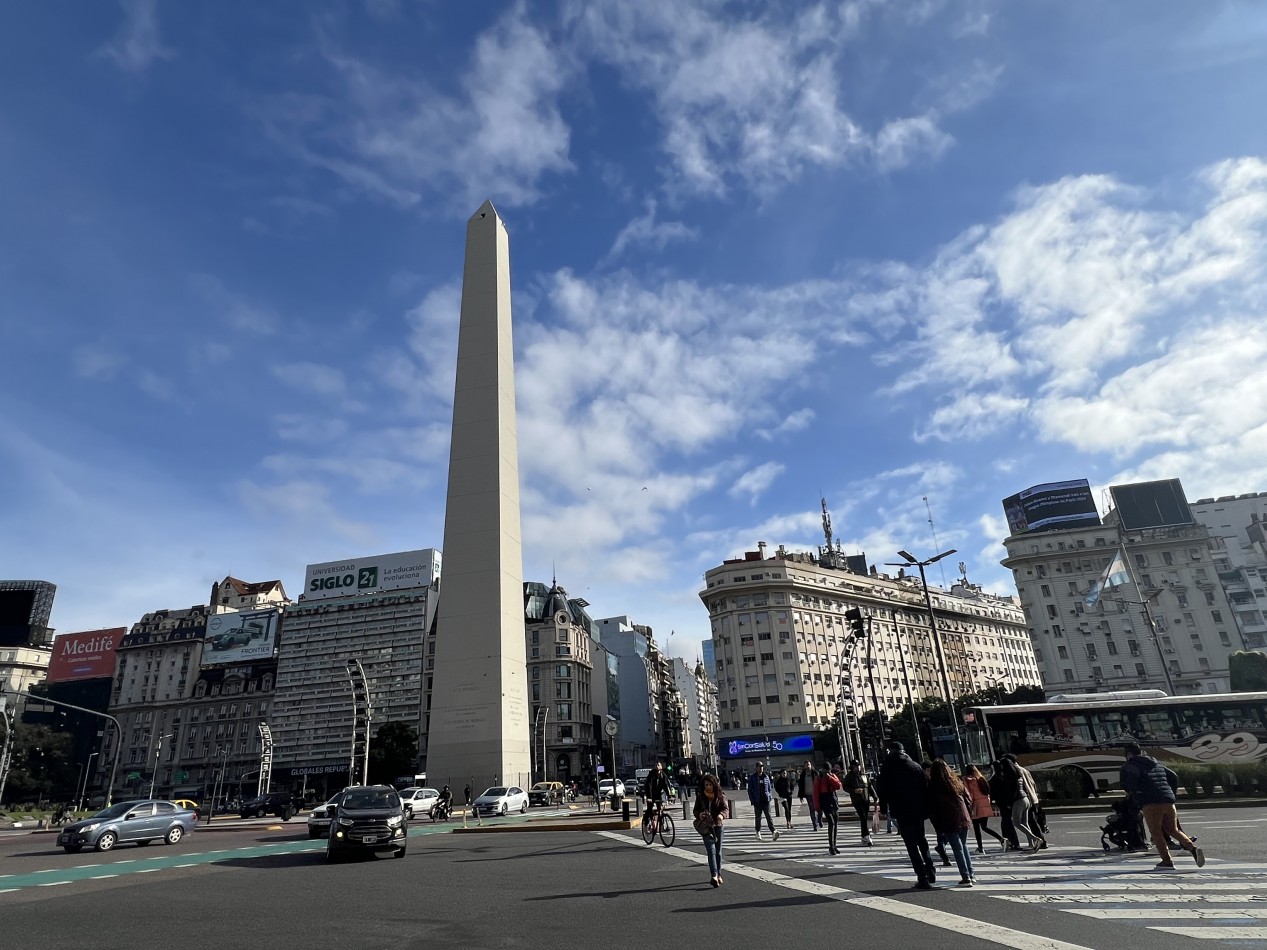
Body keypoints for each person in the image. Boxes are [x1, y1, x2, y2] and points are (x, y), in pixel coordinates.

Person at [1120, 742, 1205, 870]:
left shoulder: (1130, 765)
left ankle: (1167, 861)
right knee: (1173, 829)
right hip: (1168, 801)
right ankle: (1192, 849)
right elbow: (1173, 776)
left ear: (1128, 753)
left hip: (1151, 803)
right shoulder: (1155, 762)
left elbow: (1130, 783)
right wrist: (1170, 792)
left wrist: (1135, 794)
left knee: (1156, 833)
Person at [879, 740, 938, 890]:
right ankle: (930, 870)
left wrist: (884, 809)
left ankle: (922, 877)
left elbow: (882, 790)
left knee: (911, 845)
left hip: (901, 810)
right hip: (918, 809)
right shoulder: (915, 766)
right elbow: (926, 788)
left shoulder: (888, 767)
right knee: (922, 841)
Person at [928, 759, 975, 887]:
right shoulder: (956, 782)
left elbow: (933, 807)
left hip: (948, 819)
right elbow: (968, 800)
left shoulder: (935, 786)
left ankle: (966, 877)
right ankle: (971, 874)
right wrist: (968, 814)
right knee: (964, 846)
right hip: (963, 817)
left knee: (957, 848)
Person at [1001, 756, 1046, 852]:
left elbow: (1012, 791)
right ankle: (1031, 843)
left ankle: (1035, 839)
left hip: (1018, 800)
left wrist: (1008, 802)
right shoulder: (1018, 773)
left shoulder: (1009, 776)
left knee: (1017, 823)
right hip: (1026, 799)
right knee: (1025, 822)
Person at [694, 774, 730, 887]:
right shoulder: (700, 797)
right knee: (711, 850)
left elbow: (725, 808)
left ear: (714, 785)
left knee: (718, 851)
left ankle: (719, 873)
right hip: (706, 827)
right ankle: (714, 875)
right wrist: (699, 814)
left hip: (718, 826)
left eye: (710, 785)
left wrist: (721, 815)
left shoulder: (720, 795)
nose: (708, 787)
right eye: (706, 785)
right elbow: (696, 810)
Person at [963, 764, 1005, 853]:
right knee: (984, 826)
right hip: (985, 803)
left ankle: (981, 847)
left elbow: (969, 794)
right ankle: (1001, 839)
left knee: (977, 828)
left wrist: (968, 805)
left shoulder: (968, 780)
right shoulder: (981, 779)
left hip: (976, 805)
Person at [989, 759, 1020, 851]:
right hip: (1008, 801)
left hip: (1001, 802)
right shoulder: (1005, 776)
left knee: (1006, 822)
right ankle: (1009, 840)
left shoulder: (994, 779)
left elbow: (992, 793)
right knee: (1007, 821)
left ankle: (1010, 841)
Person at [843, 761, 876, 846]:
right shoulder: (849, 776)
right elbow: (845, 787)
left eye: (858, 766)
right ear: (852, 767)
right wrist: (854, 790)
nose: (857, 768)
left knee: (864, 818)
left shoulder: (864, 775)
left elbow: (869, 786)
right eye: (855, 767)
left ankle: (864, 836)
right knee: (863, 817)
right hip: (857, 800)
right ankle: (867, 836)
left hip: (866, 799)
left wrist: (875, 797)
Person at [746, 762, 780, 841]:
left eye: (762, 766)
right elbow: (750, 790)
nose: (761, 768)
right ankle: (758, 831)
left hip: (766, 800)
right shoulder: (753, 777)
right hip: (757, 801)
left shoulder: (766, 777)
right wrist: (752, 800)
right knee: (758, 818)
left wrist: (769, 797)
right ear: (756, 767)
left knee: (769, 816)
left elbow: (769, 788)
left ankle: (773, 831)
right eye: (759, 766)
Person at [815, 764, 843, 855]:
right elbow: (815, 793)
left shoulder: (832, 776)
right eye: (826, 771)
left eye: (829, 771)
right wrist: (818, 807)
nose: (827, 773)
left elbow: (838, 786)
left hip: (833, 799)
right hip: (825, 800)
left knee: (835, 822)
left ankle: (834, 845)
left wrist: (830, 778)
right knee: (831, 822)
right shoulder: (818, 778)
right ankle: (831, 846)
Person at [799, 762, 821, 831]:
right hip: (808, 794)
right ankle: (815, 825)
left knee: (819, 809)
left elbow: (820, 782)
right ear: (804, 766)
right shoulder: (803, 775)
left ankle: (819, 820)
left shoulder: (815, 773)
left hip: (816, 794)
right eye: (806, 765)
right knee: (812, 810)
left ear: (811, 765)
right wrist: (801, 796)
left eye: (809, 764)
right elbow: (801, 786)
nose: (808, 766)